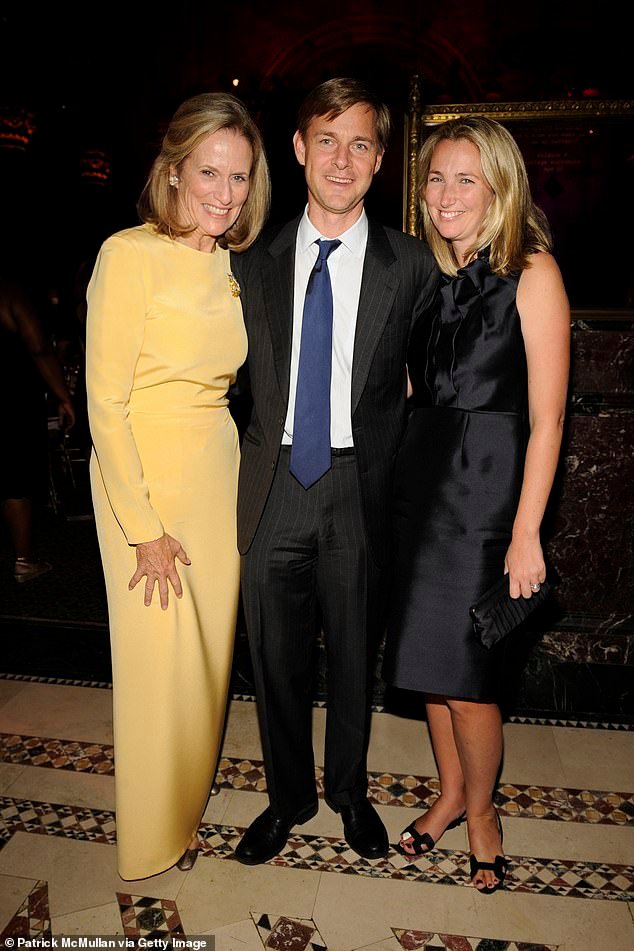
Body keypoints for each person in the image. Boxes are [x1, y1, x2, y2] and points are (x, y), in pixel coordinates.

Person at [231, 78, 439, 865]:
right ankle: (289, 796)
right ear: (298, 148)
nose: (342, 160)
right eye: (327, 140)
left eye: (360, 144)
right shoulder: (250, 260)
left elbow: (435, 376)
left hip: (359, 484)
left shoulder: (411, 265)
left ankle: (350, 792)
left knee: (354, 654)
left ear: (381, 159)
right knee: (274, 659)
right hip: (274, 483)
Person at [382, 116, 570, 892]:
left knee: (467, 679)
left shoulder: (533, 272)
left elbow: (549, 418)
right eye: (436, 178)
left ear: (499, 189)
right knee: (428, 667)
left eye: (466, 179)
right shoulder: (428, 275)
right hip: (419, 489)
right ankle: (450, 793)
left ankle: (484, 812)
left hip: (487, 499)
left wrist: (526, 531)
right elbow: (409, 389)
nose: (446, 193)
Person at [85, 92, 270, 880]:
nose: (224, 193)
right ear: (173, 171)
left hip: (217, 476)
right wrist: (142, 527)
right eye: (209, 173)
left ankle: (185, 808)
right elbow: (105, 404)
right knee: (156, 666)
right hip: (143, 481)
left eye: (239, 176)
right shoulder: (128, 255)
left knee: (204, 665)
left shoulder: (237, 267)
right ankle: (153, 834)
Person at [0, 271, 75, 581]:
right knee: (15, 477)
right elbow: (39, 347)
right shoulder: (10, 291)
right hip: (10, 397)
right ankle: (23, 560)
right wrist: (63, 396)